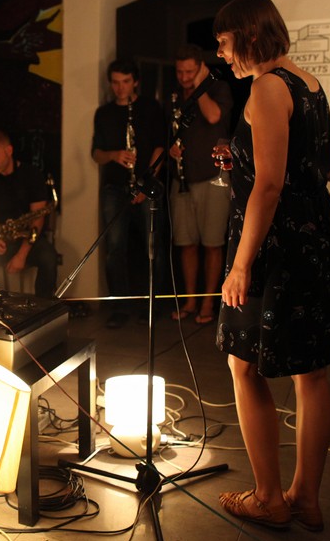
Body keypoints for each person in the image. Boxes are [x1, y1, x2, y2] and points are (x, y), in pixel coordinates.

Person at [213, 0, 330, 532]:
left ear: (248, 35)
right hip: (318, 237)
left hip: (276, 246)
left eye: (224, 43)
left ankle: (268, 497)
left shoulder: (267, 87)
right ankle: (305, 498)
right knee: (311, 372)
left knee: (242, 364)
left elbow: (267, 187)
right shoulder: (309, 84)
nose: (221, 55)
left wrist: (241, 265)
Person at [91, 58, 166, 328]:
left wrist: (147, 182)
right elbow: (96, 154)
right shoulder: (104, 113)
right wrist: (114, 155)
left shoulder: (149, 107)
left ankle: (154, 305)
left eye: (125, 82)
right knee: (115, 248)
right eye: (115, 82)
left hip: (146, 185)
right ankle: (120, 306)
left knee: (153, 247)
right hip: (115, 187)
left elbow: (160, 147)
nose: (120, 88)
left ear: (135, 82)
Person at [166, 44, 233, 324]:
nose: (184, 77)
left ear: (201, 69)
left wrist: (200, 84)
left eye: (190, 72)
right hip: (183, 178)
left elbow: (214, 116)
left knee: (213, 243)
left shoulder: (217, 89)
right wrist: (171, 148)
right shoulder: (174, 96)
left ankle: (208, 304)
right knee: (186, 244)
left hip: (213, 176)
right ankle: (190, 300)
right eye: (180, 72)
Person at [0, 129, 57, 298]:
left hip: (27, 240)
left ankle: (43, 305)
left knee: (48, 257)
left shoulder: (32, 175)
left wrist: (22, 255)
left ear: (9, 151)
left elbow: (38, 219)